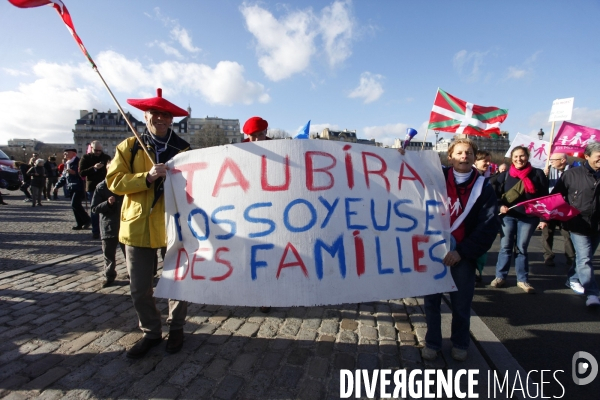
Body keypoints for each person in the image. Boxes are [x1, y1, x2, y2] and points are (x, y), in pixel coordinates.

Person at [106, 88, 190, 358]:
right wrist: (147, 177)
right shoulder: (128, 147)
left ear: (171, 120)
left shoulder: (184, 150)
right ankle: (151, 333)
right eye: (155, 113)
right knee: (139, 288)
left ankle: (176, 327)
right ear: (145, 116)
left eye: (165, 115)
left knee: (178, 283)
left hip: (173, 227)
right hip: (137, 228)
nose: (160, 119)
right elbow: (114, 182)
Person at [422, 139, 499, 362]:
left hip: (463, 254)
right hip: (433, 250)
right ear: (450, 157)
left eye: (468, 153)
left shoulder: (483, 187)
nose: (464, 156)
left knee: (461, 303)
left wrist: (462, 252)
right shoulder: (436, 177)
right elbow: (406, 175)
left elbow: (488, 225)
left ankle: (460, 343)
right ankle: (433, 342)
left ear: (475, 158)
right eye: (459, 153)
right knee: (431, 302)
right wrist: (402, 154)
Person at [492, 146, 548, 293]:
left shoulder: (537, 174)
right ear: (511, 158)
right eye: (516, 156)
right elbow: (495, 195)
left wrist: (543, 218)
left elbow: (544, 198)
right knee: (505, 246)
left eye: (522, 156)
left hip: (529, 218)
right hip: (508, 216)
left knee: (521, 248)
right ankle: (500, 276)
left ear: (527, 156)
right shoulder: (505, 175)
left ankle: (522, 280)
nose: (519, 159)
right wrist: (500, 206)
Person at [552, 142, 600, 307]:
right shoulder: (571, 175)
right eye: (598, 158)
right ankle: (592, 293)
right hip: (578, 224)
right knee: (585, 259)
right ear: (587, 156)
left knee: (584, 257)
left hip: (597, 225)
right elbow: (556, 197)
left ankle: (572, 278)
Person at [242, 116, 272, 313]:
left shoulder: (277, 148)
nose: (259, 140)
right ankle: (259, 293)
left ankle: (268, 294)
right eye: (254, 136)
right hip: (249, 210)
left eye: (261, 135)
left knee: (272, 252)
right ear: (248, 136)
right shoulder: (239, 150)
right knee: (254, 252)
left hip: (273, 208)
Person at [91, 160, 125, 288]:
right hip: (108, 226)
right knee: (109, 254)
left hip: (125, 225)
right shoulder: (101, 187)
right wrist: (107, 203)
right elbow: (94, 208)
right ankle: (109, 276)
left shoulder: (124, 184)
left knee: (130, 254)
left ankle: (133, 275)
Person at [537, 153, 575, 267]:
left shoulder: (574, 171)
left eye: (553, 160)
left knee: (567, 234)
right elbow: (540, 188)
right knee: (547, 233)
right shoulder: (547, 171)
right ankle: (548, 256)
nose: (551, 162)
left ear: (563, 160)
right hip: (550, 206)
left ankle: (571, 258)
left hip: (566, 206)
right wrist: (543, 177)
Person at [80, 141, 112, 239]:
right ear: (91, 148)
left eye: (100, 150)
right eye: (96, 150)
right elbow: (81, 173)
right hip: (92, 186)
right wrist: (93, 168)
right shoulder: (86, 158)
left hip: (106, 186)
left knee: (108, 208)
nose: (98, 152)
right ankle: (95, 231)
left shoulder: (106, 157)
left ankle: (107, 230)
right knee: (95, 210)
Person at [54, 149, 91, 230]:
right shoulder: (67, 163)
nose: (65, 154)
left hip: (79, 186)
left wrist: (75, 173)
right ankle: (80, 223)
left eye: (67, 153)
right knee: (74, 206)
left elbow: (84, 173)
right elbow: (64, 177)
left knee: (75, 204)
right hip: (70, 187)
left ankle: (87, 219)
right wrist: (57, 186)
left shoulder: (79, 162)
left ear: (73, 154)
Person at [473, 150, 492, 282]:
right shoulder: (474, 177)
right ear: (476, 161)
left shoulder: (487, 177)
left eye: (489, 160)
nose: (488, 163)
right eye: (485, 160)